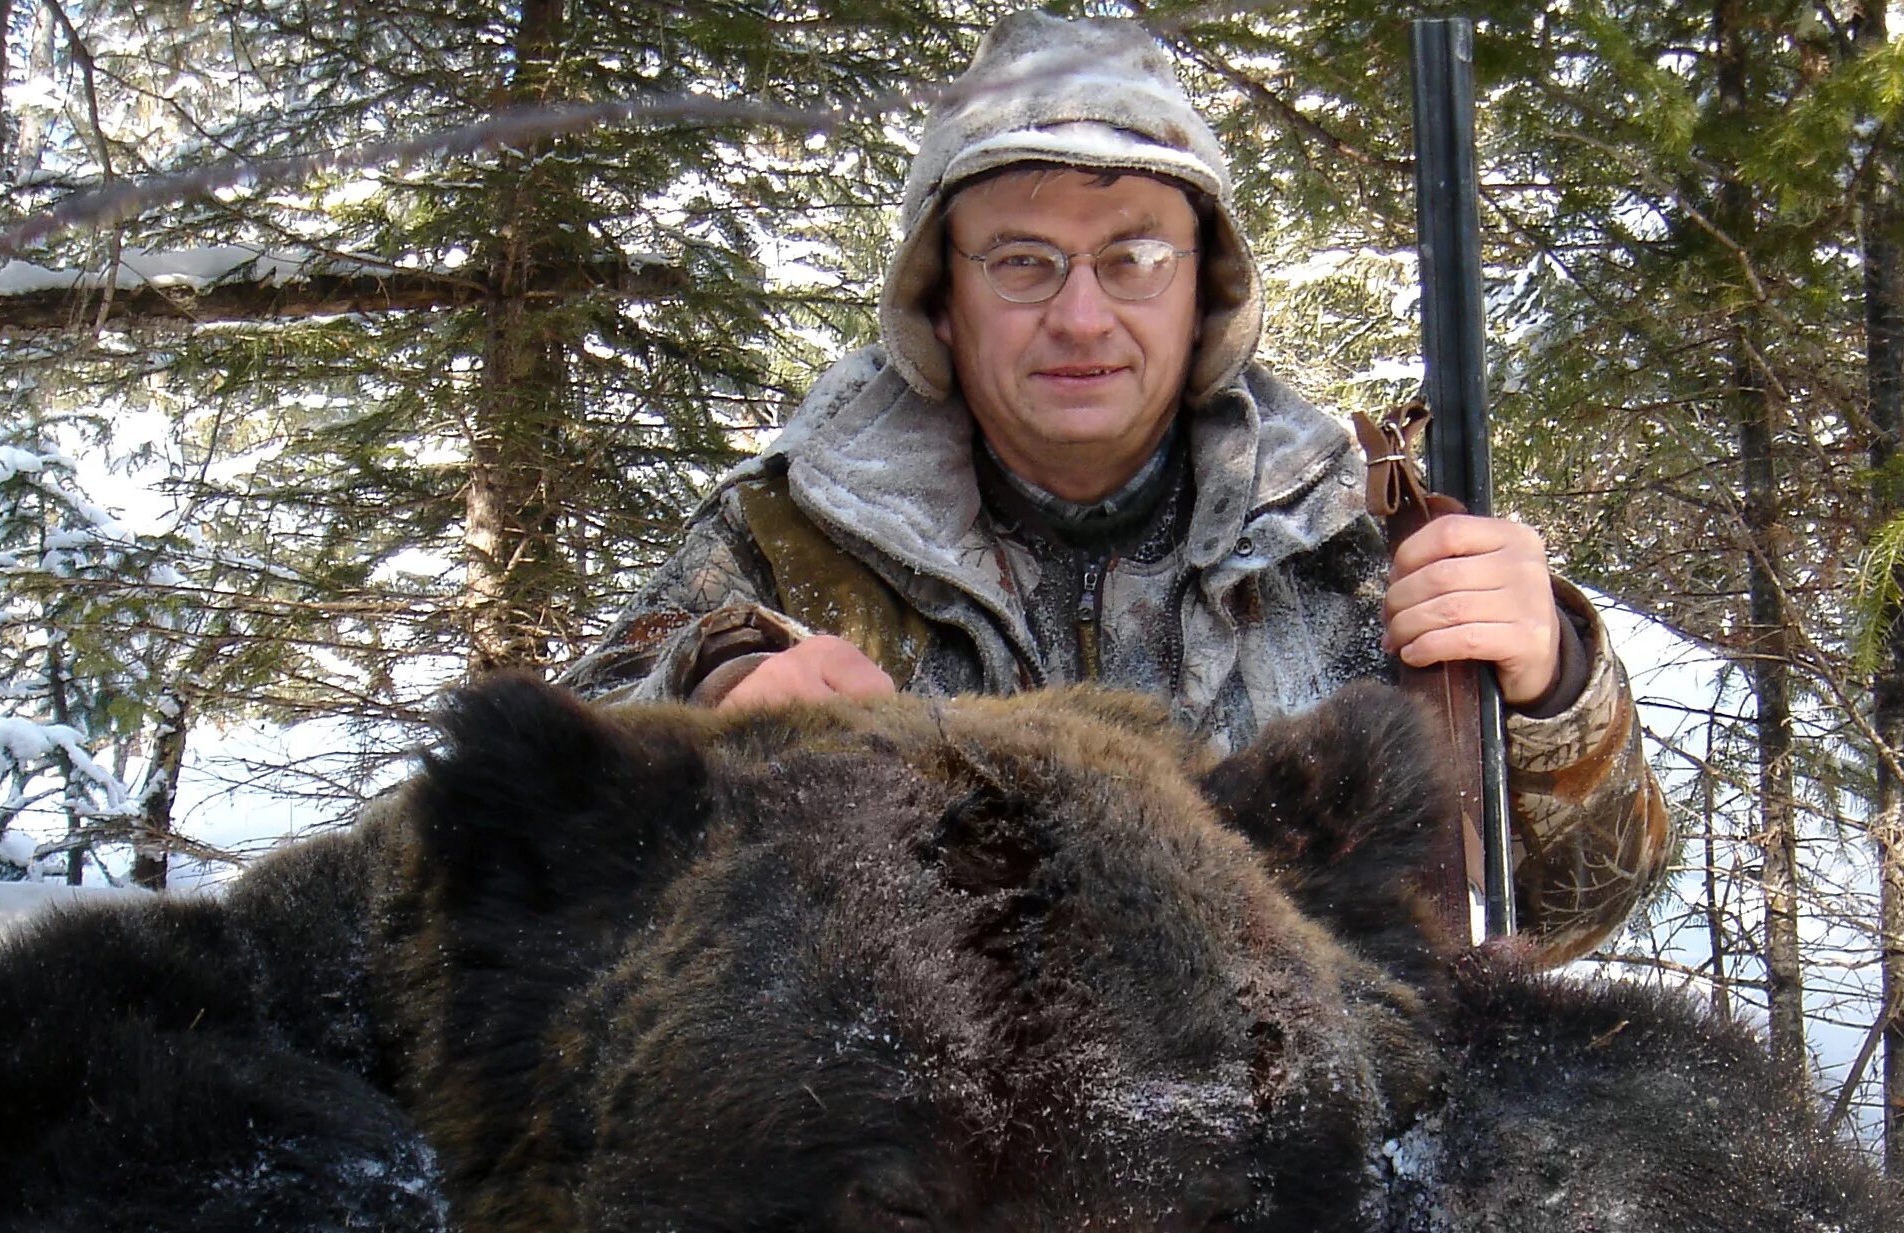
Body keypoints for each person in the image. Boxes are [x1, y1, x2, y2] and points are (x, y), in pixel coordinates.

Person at [565, 9, 1667, 964]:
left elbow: (1569, 913)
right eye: (1022, 260)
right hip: (919, 1178)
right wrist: (710, 697)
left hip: (1301, 1165)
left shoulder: (1354, 544)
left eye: (1136, 258)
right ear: (940, 301)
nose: (1083, 316)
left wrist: (1553, 688)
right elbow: (546, 833)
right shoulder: (795, 533)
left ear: (1207, 294)